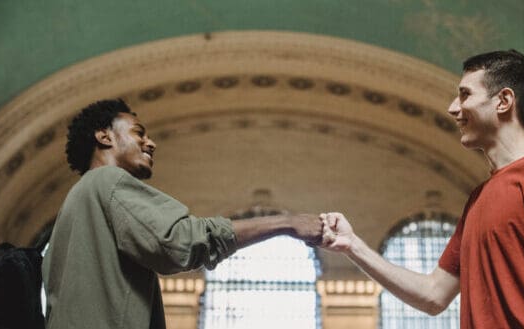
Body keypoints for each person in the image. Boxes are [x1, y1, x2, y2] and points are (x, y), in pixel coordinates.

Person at [321, 50, 524, 329]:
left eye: (465, 95)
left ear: (503, 101)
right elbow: (432, 295)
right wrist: (352, 245)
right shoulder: (478, 200)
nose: (453, 108)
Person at [42, 99, 325, 329]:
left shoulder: (74, 206)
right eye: (138, 132)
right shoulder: (107, 182)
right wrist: (288, 223)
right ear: (104, 137)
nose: (150, 143)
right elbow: (180, 242)